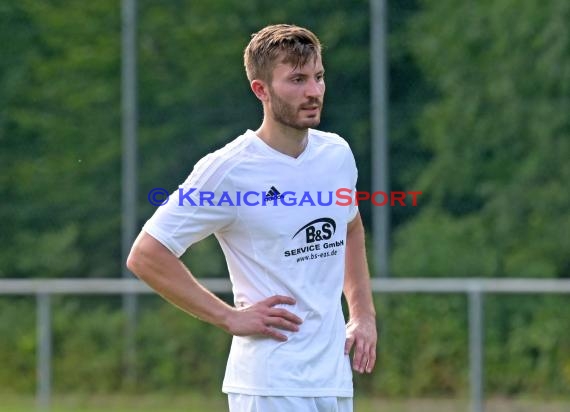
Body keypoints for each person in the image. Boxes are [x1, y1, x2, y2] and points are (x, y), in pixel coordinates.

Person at [127, 24, 377, 412]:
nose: (313, 91)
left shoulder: (337, 154)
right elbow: (146, 254)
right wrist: (228, 317)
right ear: (261, 90)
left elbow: (351, 227)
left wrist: (362, 314)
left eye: (318, 77)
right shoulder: (228, 169)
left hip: (333, 381)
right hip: (269, 386)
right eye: (297, 79)